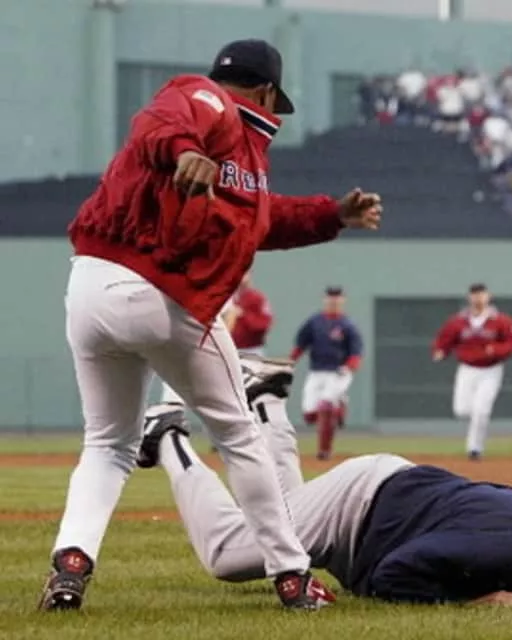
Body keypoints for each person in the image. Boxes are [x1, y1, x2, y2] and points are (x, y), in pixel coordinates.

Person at [40, 38, 382, 612]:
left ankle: (71, 564)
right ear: (268, 91)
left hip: (91, 289)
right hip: (156, 290)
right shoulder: (207, 100)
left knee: (107, 444)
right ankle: (293, 576)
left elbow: (261, 219)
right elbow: (163, 122)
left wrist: (332, 214)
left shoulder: (240, 160)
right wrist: (181, 151)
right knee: (240, 434)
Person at [135, 361, 512, 608]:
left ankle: (265, 402)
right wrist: (481, 601)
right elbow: (393, 575)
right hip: (358, 510)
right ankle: (168, 438)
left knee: (283, 507)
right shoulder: (484, 553)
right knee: (229, 553)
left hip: (392, 484)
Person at [432, 283, 512, 460]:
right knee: (462, 410)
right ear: (469, 298)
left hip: (491, 370)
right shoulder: (459, 321)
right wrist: (440, 351)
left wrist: (496, 350)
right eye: (475, 295)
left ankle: (475, 449)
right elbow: (444, 339)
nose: (478, 298)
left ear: (488, 297)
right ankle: (474, 439)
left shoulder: (500, 320)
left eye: (481, 295)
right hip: (467, 369)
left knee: (481, 410)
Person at [291, 286, 363, 460]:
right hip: (316, 372)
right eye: (330, 298)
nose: (333, 302)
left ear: (343, 301)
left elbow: (356, 352)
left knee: (325, 406)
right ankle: (339, 407)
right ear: (325, 300)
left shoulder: (348, 325)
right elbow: (301, 344)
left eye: (337, 298)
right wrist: (290, 361)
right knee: (310, 414)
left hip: (338, 372)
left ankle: (324, 451)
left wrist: (350, 366)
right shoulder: (315, 322)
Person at [231, 271, 274, 357]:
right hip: (230, 349)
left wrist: (244, 315)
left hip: (252, 350)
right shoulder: (228, 298)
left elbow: (264, 325)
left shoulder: (258, 298)